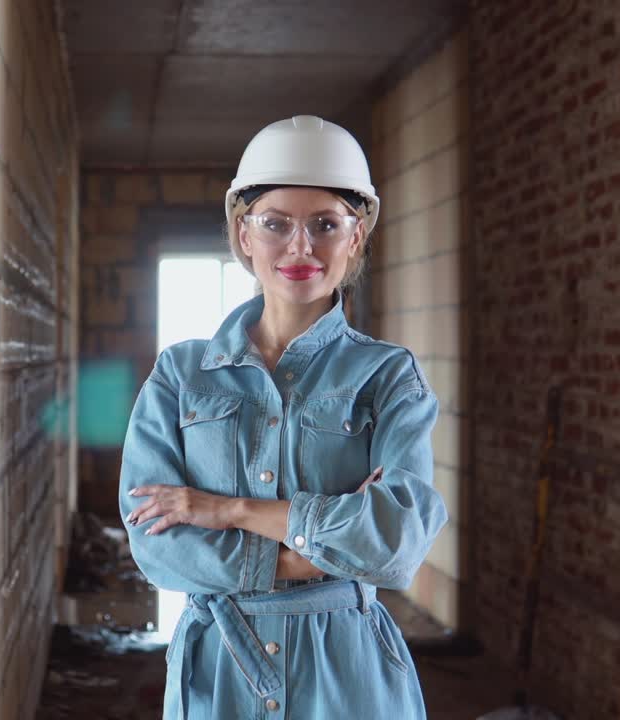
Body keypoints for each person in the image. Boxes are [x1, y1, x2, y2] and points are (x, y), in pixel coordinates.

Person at [119, 115, 448, 719]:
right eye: (275, 224)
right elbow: (157, 548)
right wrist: (320, 549)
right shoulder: (181, 375)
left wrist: (227, 511)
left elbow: (395, 544)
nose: (301, 247)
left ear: (356, 236)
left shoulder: (388, 377)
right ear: (244, 235)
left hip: (345, 674)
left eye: (325, 224)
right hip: (218, 673)